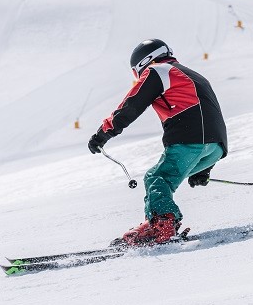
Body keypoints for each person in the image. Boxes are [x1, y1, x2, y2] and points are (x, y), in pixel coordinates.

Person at [88, 39, 228, 246]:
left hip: (189, 139)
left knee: (156, 177)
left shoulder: (157, 71)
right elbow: (210, 113)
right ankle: (161, 222)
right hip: (215, 147)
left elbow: (131, 105)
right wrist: (204, 169)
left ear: (142, 63)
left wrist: (104, 133)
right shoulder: (192, 74)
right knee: (165, 179)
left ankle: (160, 226)